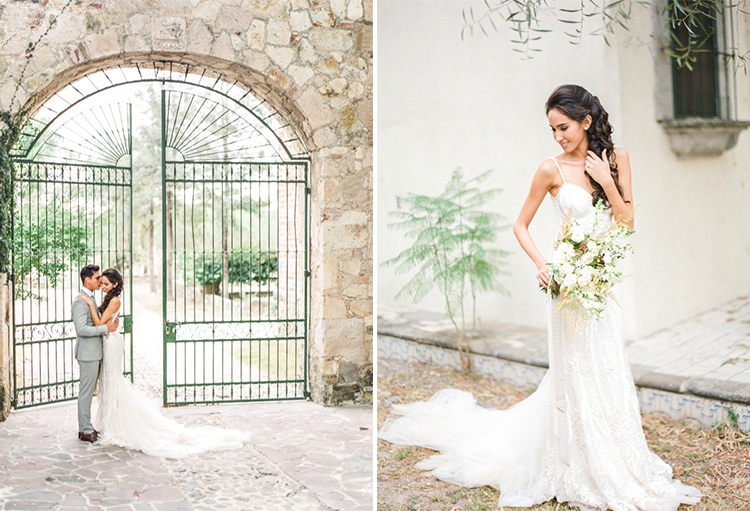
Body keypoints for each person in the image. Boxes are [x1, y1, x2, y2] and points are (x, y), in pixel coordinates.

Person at [379, 85, 702, 510]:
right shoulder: (549, 169)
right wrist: (543, 264)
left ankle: (612, 457)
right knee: (573, 375)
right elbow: (520, 225)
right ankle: (571, 461)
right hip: (565, 285)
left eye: (563, 127)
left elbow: (626, 225)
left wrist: (606, 180)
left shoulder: (617, 159)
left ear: (587, 121)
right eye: (552, 129)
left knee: (605, 369)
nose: (558, 137)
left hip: (602, 285)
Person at [77, 267, 250, 458]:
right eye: (100, 283)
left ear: (116, 285)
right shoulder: (106, 298)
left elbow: (101, 323)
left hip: (111, 343)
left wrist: (93, 308)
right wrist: (102, 317)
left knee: (114, 381)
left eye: (106, 284)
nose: (102, 286)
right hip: (107, 341)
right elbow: (103, 324)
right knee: (110, 382)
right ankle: (109, 422)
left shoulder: (114, 300)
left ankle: (118, 424)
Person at [72, 264, 119, 443]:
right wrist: (105, 328)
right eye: (97, 278)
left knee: (92, 392)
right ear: (87, 280)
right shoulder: (80, 301)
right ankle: (84, 429)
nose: (100, 281)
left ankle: (89, 426)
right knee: (86, 392)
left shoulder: (90, 298)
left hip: (97, 352)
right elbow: (82, 329)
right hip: (88, 354)